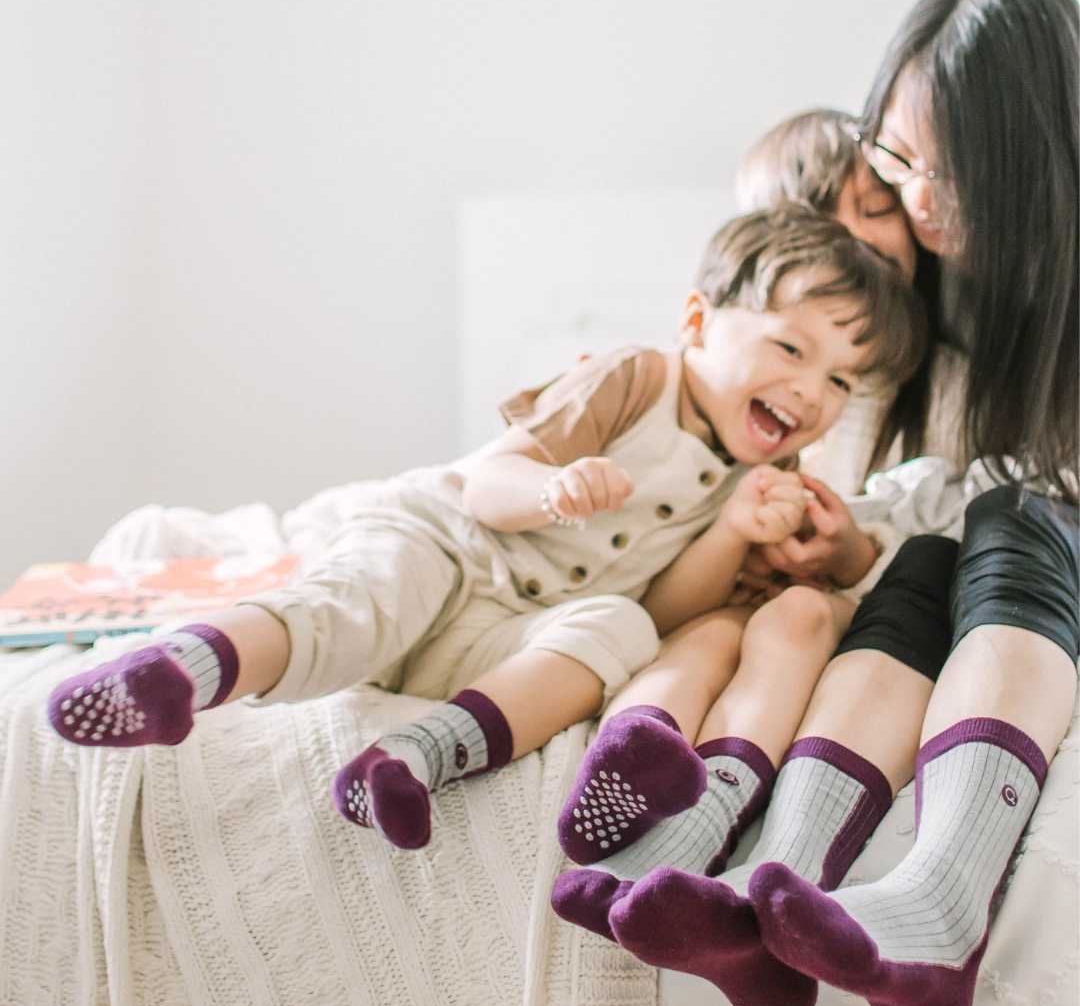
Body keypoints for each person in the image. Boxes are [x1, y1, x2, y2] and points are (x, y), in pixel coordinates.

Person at [44, 205, 924, 854]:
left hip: (507, 627)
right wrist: (554, 492)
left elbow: (662, 611)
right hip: (455, 547)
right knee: (360, 600)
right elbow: (488, 481)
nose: (813, 394)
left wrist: (732, 530)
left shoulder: (767, 479)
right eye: (791, 350)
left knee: (615, 631)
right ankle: (185, 670)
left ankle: (418, 757)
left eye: (845, 383)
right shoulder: (634, 378)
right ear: (697, 322)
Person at [555, 0, 1079, 1006]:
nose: (917, 203)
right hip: (924, 568)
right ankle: (769, 886)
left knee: (1005, 519)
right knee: (922, 564)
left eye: (949, 171)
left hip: (1037, 562)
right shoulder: (884, 285)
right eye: (899, 159)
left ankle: (938, 897)